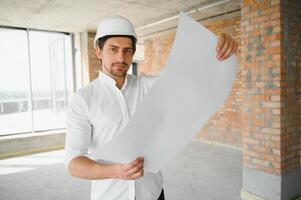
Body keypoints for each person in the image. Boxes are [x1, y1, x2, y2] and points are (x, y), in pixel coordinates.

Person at [65, 15, 238, 200]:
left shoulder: (148, 86)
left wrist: (218, 48)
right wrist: (115, 171)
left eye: (127, 51)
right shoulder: (83, 99)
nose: (121, 57)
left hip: (153, 194)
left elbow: (192, 80)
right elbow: (73, 163)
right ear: (99, 51)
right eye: (113, 50)